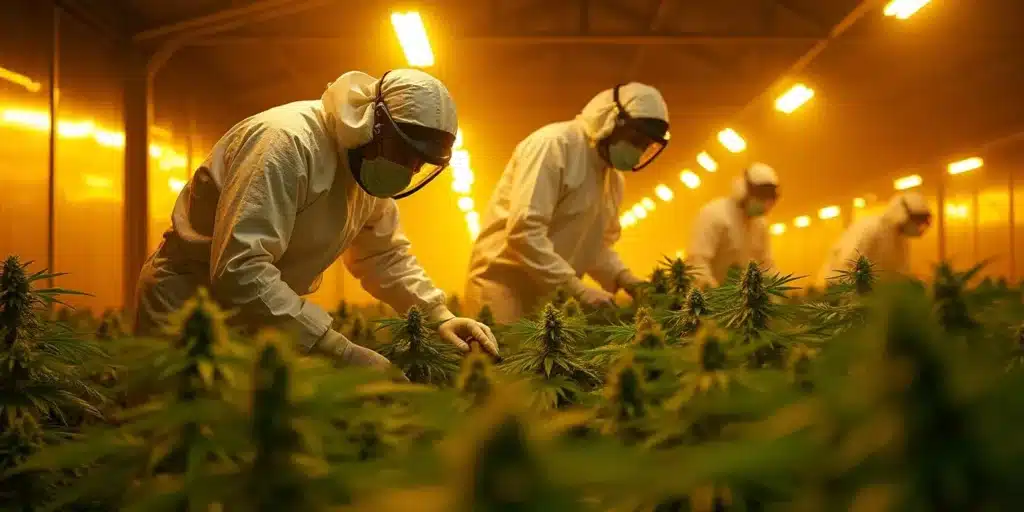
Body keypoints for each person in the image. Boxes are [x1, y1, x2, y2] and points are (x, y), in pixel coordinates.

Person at [132, 69, 499, 372]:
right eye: (404, 153)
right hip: (185, 311)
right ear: (374, 124)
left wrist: (440, 316)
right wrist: (339, 349)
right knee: (177, 439)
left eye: (420, 163)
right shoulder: (286, 144)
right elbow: (240, 268)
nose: (409, 169)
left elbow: (383, 256)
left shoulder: (366, 170)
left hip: (263, 319)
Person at [465, 83, 670, 323]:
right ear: (610, 120)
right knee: (501, 356)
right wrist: (578, 288)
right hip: (503, 287)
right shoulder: (554, 145)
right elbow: (525, 232)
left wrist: (627, 279)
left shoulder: (613, 180)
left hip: (553, 293)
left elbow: (594, 247)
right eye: (635, 140)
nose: (637, 151)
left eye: (644, 146)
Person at [687, 163, 779, 288]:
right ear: (743, 190)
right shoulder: (714, 214)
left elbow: (766, 265)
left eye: (769, 199)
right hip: (710, 298)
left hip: (741, 299)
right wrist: (715, 294)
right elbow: (697, 262)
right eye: (760, 196)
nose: (765, 204)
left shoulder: (760, 224)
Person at [816, 191, 932, 286]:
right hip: (838, 291)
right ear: (902, 213)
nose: (919, 226)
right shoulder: (870, 228)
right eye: (917, 221)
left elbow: (899, 276)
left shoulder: (901, 240)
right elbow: (847, 265)